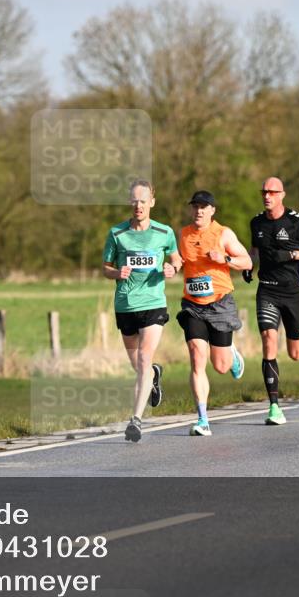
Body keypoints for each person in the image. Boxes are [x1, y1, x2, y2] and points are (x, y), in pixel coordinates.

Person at [103, 179, 182, 442]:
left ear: (152, 203)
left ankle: (135, 420)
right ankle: (154, 376)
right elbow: (105, 268)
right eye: (135, 201)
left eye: (143, 201)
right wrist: (117, 272)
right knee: (138, 365)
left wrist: (172, 268)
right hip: (125, 304)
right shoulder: (117, 233)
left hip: (153, 303)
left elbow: (176, 259)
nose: (139, 205)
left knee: (144, 359)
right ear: (130, 202)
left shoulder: (164, 232)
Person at [244, 177, 299, 426]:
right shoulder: (256, 222)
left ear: (282, 195)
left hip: (293, 292)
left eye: (272, 192)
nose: (267, 196)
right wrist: (249, 265)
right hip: (267, 290)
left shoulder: (295, 221)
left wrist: (291, 254)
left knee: (295, 354)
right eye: (264, 192)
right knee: (269, 339)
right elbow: (254, 250)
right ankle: (274, 406)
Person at [176, 190, 252, 436]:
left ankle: (231, 354)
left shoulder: (223, 233)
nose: (199, 211)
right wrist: (173, 264)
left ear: (212, 210)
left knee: (220, 366)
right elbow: (178, 260)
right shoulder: (184, 234)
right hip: (193, 305)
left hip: (220, 304)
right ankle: (202, 419)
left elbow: (247, 262)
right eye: (195, 206)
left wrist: (225, 258)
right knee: (197, 355)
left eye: (203, 207)